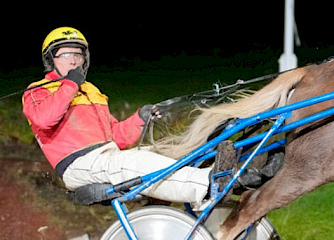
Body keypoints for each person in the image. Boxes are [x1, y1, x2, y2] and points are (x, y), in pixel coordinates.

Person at [22, 27, 276, 205]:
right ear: (51, 60)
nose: (73, 60)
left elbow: (115, 137)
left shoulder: (91, 92)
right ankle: (211, 183)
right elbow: (45, 119)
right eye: (66, 55)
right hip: (78, 165)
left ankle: (225, 179)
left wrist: (139, 120)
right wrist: (70, 85)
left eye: (78, 54)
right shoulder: (38, 91)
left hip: (105, 156)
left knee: (156, 157)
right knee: (138, 162)